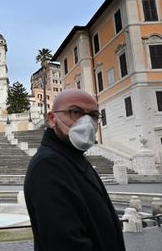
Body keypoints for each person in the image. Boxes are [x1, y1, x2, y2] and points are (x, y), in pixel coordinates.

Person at [24, 89, 126, 251]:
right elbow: (66, 243)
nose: (86, 122)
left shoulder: (72, 157)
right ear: (52, 119)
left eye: (93, 115)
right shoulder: (48, 166)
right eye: (75, 112)